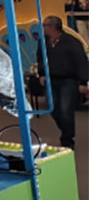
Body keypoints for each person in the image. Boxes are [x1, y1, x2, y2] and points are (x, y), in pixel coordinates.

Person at [36, 16, 89, 149]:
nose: (43, 28)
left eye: (45, 25)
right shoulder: (43, 41)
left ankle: (67, 138)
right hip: (51, 79)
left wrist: (83, 82)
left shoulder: (72, 42)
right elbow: (40, 58)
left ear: (53, 27)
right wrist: (41, 74)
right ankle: (66, 131)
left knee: (66, 110)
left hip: (68, 80)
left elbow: (81, 62)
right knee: (53, 109)